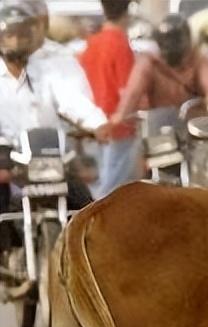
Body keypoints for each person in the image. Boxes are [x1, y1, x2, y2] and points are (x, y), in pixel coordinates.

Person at [0, 0, 110, 217]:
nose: (17, 40)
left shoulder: (46, 71)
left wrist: (97, 123)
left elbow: (72, 101)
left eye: (23, 34)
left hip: (47, 162)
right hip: (7, 165)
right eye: (11, 34)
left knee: (90, 214)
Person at [111, 13, 208, 126]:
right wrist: (118, 119)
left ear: (187, 46)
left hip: (194, 129)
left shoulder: (199, 61)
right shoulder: (150, 63)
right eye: (166, 54)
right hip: (159, 130)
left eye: (179, 56)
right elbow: (132, 94)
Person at [79, 0, 138, 198]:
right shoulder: (120, 43)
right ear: (127, 12)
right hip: (117, 125)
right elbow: (126, 89)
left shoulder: (91, 44)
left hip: (92, 124)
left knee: (99, 183)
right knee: (112, 187)